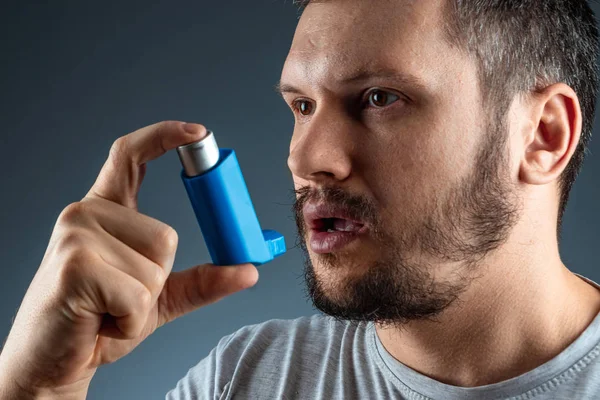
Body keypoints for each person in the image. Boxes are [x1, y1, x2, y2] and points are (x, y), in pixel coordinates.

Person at [2, 0, 600, 398]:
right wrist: (40, 389)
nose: (304, 159)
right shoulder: (244, 379)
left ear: (543, 135)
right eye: (302, 105)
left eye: (378, 98)